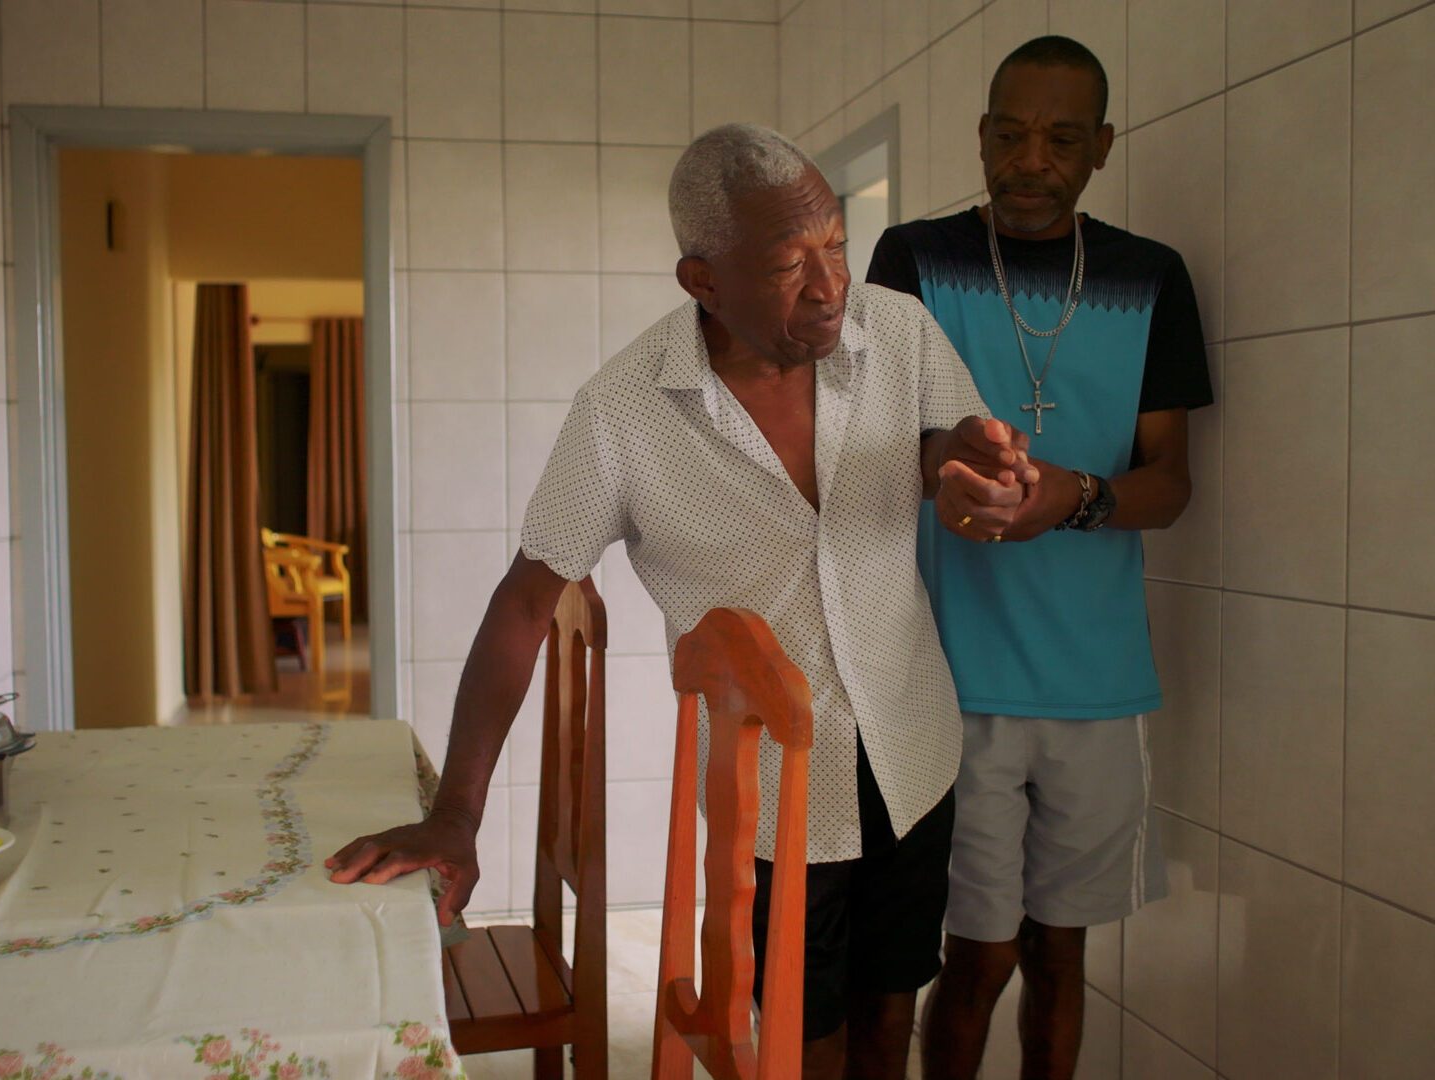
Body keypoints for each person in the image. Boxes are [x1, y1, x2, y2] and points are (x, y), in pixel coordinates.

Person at [328, 122, 1036, 1079]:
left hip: (914, 752)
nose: (830, 286)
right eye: (791, 264)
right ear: (702, 280)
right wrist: (458, 812)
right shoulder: (623, 412)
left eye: (835, 243)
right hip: (774, 791)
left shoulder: (896, 331)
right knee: (796, 1039)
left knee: (886, 1014)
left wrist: (969, 474)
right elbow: (526, 602)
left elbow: (937, 444)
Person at [866, 35, 1213, 1080]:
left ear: (1100, 147)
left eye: (1061, 139)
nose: (1031, 160)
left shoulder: (1150, 276)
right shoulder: (910, 259)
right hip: (949, 683)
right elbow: (872, 439)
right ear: (980, 135)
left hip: (1097, 687)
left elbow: (1169, 481)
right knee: (970, 958)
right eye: (1010, 135)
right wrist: (949, 470)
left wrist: (1076, 496)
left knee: (1059, 956)